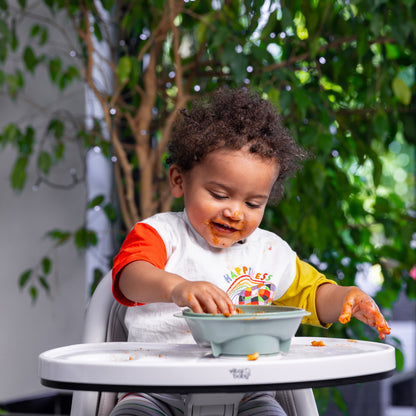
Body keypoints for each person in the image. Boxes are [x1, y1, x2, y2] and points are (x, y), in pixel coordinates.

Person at [110, 87, 391, 416]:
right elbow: (131, 275)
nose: (235, 212)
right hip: (155, 386)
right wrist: (177, 287)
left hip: (245, 392)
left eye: (253, 203)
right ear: (178, 180)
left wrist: (345, 298)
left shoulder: (270, 252)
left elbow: (313, 297)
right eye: (219, 195)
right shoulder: (161, 234)